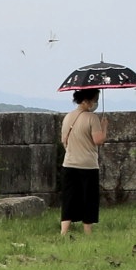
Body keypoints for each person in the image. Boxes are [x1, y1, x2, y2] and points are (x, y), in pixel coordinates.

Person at [58, 87, 108, 238]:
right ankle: (87, 231)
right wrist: (104, 127)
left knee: (69, 198)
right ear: (87, 100)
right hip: (88, 165)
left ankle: (64, 231)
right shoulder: (92, 118)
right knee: (88, 198)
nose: (96, 103)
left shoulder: (68, 117)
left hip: (69, 163)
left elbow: (63, 140)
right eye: (95, 100)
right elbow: (98, 140)